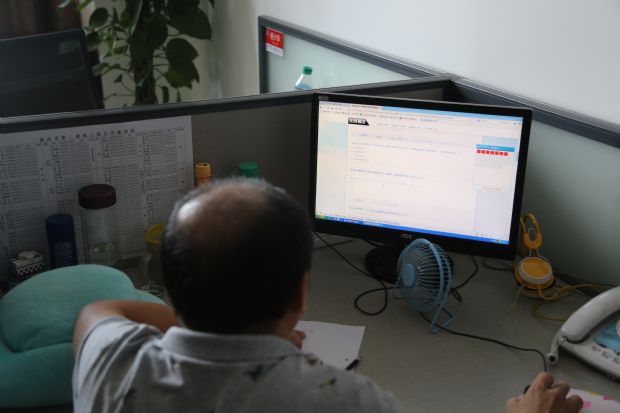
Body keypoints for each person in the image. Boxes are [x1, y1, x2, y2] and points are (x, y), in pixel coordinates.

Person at [72, 178, 583, 413]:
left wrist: (219, 327)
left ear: (170, 288)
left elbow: (98, 310)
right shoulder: (345, 400)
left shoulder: (112, 364)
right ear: (302, 292)